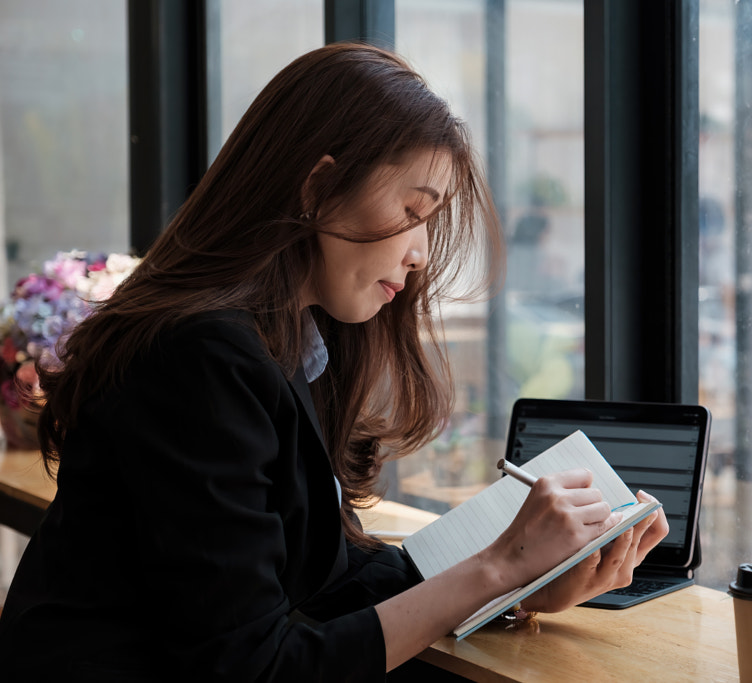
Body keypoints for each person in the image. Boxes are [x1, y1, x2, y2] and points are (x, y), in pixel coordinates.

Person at [0, 43, 668, 681]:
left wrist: (519, 582)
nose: (422, 253)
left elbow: (328, 582)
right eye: (414, 211)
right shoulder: (202, 357)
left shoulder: (280, 345)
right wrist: (495, 567)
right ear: (319, 187)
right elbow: (251, 667)